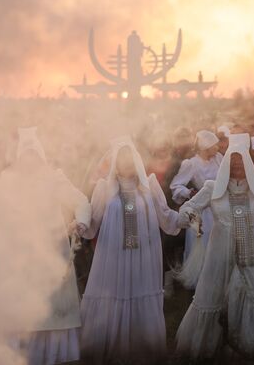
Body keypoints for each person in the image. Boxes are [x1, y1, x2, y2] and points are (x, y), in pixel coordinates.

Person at [175, 133, 254, 364]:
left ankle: (248, 346)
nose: (237, 166)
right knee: (212, 294)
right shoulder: (212, 187)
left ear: (249, 164)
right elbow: (187, 208)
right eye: (232, 162)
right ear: (226, 163)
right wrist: (190, 215)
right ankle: (207, 347)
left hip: (253, 254)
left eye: (241, 162)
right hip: (219, 253)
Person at [80, 136, 181, 364]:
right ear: (115, 162)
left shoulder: (150, 185)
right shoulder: (104, 188)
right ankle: (111, 344)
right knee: (115, 291)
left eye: (130, 159)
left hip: (143, 255)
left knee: (140, 289)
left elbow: (166, 218)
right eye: (121, 159)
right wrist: (80, 224)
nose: (126, 164)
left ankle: (142, 346)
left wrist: (186, 217)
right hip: (113, 255)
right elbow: (92, 222)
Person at [12, 128, 91, 365]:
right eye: (25, 155)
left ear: (40, 156)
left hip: (54, 247)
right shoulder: (12, 182)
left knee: (53, 302)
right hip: (25, 249)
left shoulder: (54, 178)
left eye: (33, 154)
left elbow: (80, 201)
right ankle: (26, 353)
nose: (30, 160)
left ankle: (55, 353)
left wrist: (80, 221)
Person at [170, 130, 223, 268]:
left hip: (220, 206)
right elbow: (175, 185)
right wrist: (188, 193)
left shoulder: (219, 159)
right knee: (201, 242)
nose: (218, 147)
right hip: (202, 209)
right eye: (214, 145)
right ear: (206, 146)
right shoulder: (191, 163)